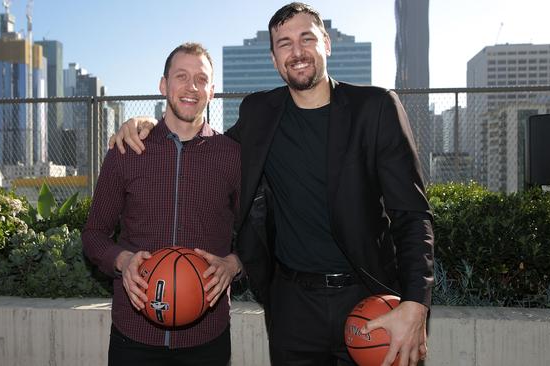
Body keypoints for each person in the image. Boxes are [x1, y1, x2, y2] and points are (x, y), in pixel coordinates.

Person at [111, 3, 434, 366]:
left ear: (326, 43)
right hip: (292, 306)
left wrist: (415, 302)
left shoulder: (374, 108)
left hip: (366, 296)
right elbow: (206, 147)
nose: (296, 52)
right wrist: (147, 124)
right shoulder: (259, 113)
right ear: (273, 57)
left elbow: (412, 214)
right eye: (284, 43)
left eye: (306, 38)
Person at [82, 42, 242, 366]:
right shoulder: (127, 150)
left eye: (201, 79)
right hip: (135, 335)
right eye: (181, 76)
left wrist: (235, 264)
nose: (191, 87)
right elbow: (94, 233)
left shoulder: (232, 156)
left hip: (207, 337)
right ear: (163, 85)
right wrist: (122, 260)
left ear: (212, 91)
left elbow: (260, 231)